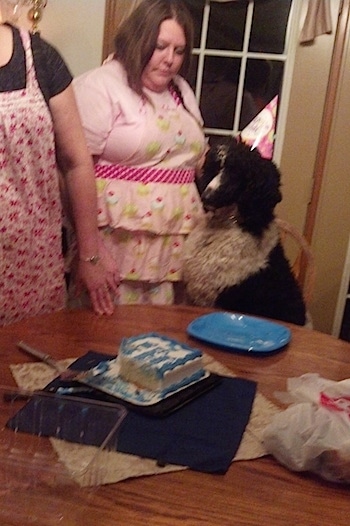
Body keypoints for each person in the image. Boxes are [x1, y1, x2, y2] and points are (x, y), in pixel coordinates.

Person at [73, 0, 207, 305]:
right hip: (115, 246)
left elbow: (193, 157)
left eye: (179, 50)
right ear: (139, 39)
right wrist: (90, 254)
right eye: (160, 46)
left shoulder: (181, 90)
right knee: (108, 339)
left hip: (173, 249)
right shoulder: (100, 86)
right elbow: (70, 173)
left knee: (165, 340)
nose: (170, 59)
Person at [0, 3, 120, 326]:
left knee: (29, 367)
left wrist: (89, 253)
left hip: (30, 263)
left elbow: (76, 162)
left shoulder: (40, 58)